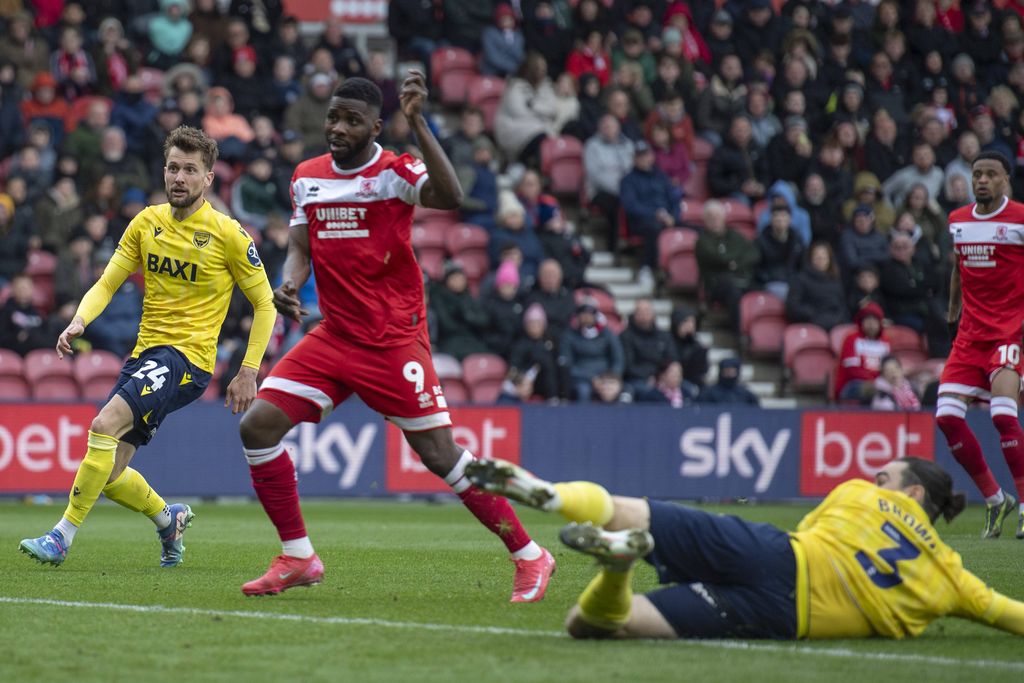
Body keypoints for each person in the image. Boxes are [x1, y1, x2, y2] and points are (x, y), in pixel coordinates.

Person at [236, 75, 555, 600]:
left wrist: (420, 122)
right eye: (334, 117)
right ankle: (298, 557)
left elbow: (450, 195)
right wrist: (289, 282)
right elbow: (299, 246)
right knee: (257, 427)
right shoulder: (307, 177)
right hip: (335, 335)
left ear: (376, 127)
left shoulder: (394, 172)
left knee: (441, 456)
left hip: (391, 342)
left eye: (352, 120)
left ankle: (530, 555)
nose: (338, 128)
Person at [19, 125, 275, 568]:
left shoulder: (228, 234)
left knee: (103, 424)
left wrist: (249, 369)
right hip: (146, 355)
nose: (179, 177)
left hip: (187, 360)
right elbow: (108, 281)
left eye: (190, 170)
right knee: (110, 472)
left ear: (208, 178)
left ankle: (61, 536)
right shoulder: (146, 222)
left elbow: (265, 304)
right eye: (173, 168)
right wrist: (80, 319)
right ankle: (167, 518)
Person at [465, 456, 1024, 640]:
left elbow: (809, 529)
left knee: (632, 510)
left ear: (912, 493)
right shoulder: (951, 577)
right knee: (592, 626)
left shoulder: (860, 494)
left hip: (776, 552)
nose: (874, 478)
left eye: (886, 476)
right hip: (783, 616)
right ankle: (618, 568)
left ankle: (553, 495)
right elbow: (1009, 615)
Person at [937, 151, 1024, 540]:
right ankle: (995, 499)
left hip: (1008, 333)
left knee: (1003, 416)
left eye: (991, 174)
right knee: (946, 418)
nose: (982, 180)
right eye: (977, 174)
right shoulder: (958, 221)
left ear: (1006, 179)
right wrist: (952, 315)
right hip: (969, 337)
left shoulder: (1019, 219)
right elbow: (958, 270)